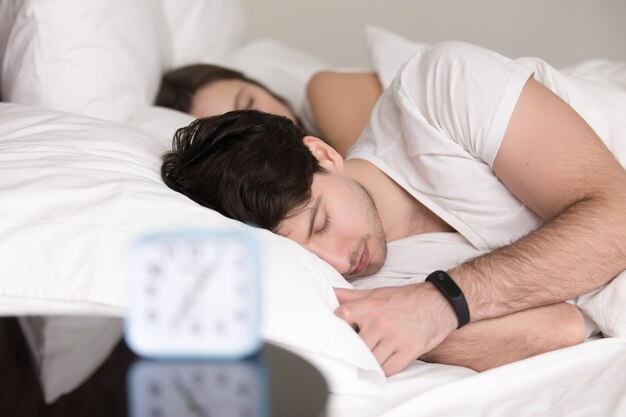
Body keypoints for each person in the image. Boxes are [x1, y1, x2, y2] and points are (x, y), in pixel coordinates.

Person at [161, 41, 626, 376]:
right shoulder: (362, 287)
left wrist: (443, 302)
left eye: (321, 222)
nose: (341, 260)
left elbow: (619, 217)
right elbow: (559, 328)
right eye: (308, 253)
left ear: (323, 154)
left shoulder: (439, 90)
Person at [156, 63, 382, 156]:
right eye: (240, 127)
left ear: (261, 87)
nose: (262, 122)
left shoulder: (326, 91)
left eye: (249, 103)